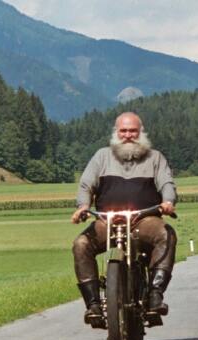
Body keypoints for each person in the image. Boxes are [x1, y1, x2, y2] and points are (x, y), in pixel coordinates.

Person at [71, 112, 177, 323]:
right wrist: (83, 206)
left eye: (133, 131)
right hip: (107, 221)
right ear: (116, 132)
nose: (128, 135)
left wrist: (168, 201)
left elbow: (167, 183)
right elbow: (86, 185)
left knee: (166, 235)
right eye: (123, 131)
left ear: (141, 132)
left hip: (144, 220)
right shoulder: (101, 156)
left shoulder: (155, 158)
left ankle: (155, 294)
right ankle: (93, 304)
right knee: (81, 244)